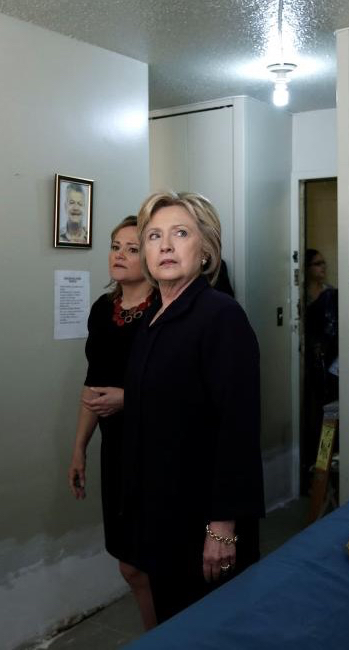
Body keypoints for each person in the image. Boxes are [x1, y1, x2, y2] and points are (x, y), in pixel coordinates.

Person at [121, 191, 264, 623]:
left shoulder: (221, 316)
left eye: (180, 233)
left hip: (202, 520)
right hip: (161, 512)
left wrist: (221, 526)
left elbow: (237, 428)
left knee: (211, 628)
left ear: (205, 249)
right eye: (154, 236)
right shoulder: (151, 321)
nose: (165, 246)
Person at [67, 216, 159, 630]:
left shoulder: (165, 309)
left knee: (158, 562)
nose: (119, 255)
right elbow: (93, 386)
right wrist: (79, 449)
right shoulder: (102, 310)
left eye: (132, 248)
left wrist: (131, 399)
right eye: (115, 246)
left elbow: (187, 388)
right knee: (130, 566)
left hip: (157, 448)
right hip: (116, 449)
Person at [302, 249, 338, 492]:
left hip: (327, 364)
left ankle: (324, 469)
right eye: (317, 264)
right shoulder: (299, 295)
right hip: (305, 362)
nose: (322, 267)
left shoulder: (330, 295)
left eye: (324, 263)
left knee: (325, 413)